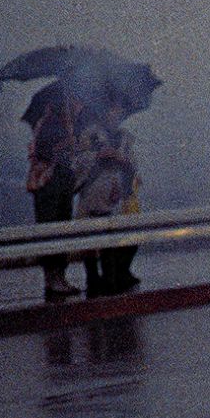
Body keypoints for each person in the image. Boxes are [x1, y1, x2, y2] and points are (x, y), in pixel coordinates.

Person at [73, 95, 139, 295]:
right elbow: (78, 162)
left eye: (119, 110)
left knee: (111, 236)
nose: (116, 114)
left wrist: (122, 160)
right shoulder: (89, 135)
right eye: (112, 110)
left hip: (114, 191)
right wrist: (98, 156)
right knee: (90, 238)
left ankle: (111, 279)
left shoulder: (125, 138)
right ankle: (92, 279)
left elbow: (133, 165)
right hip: (92, 191)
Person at [26, 91, 83, 300]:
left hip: (62, 182)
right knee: (52, 228)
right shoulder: (50, 125)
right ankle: (53, 277)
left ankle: (59, 276)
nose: (79, 107)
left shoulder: (66, 126)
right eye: (75, 102)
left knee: (62, 227)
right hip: (50, 184)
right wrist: (67, 143)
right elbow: (44, 152)